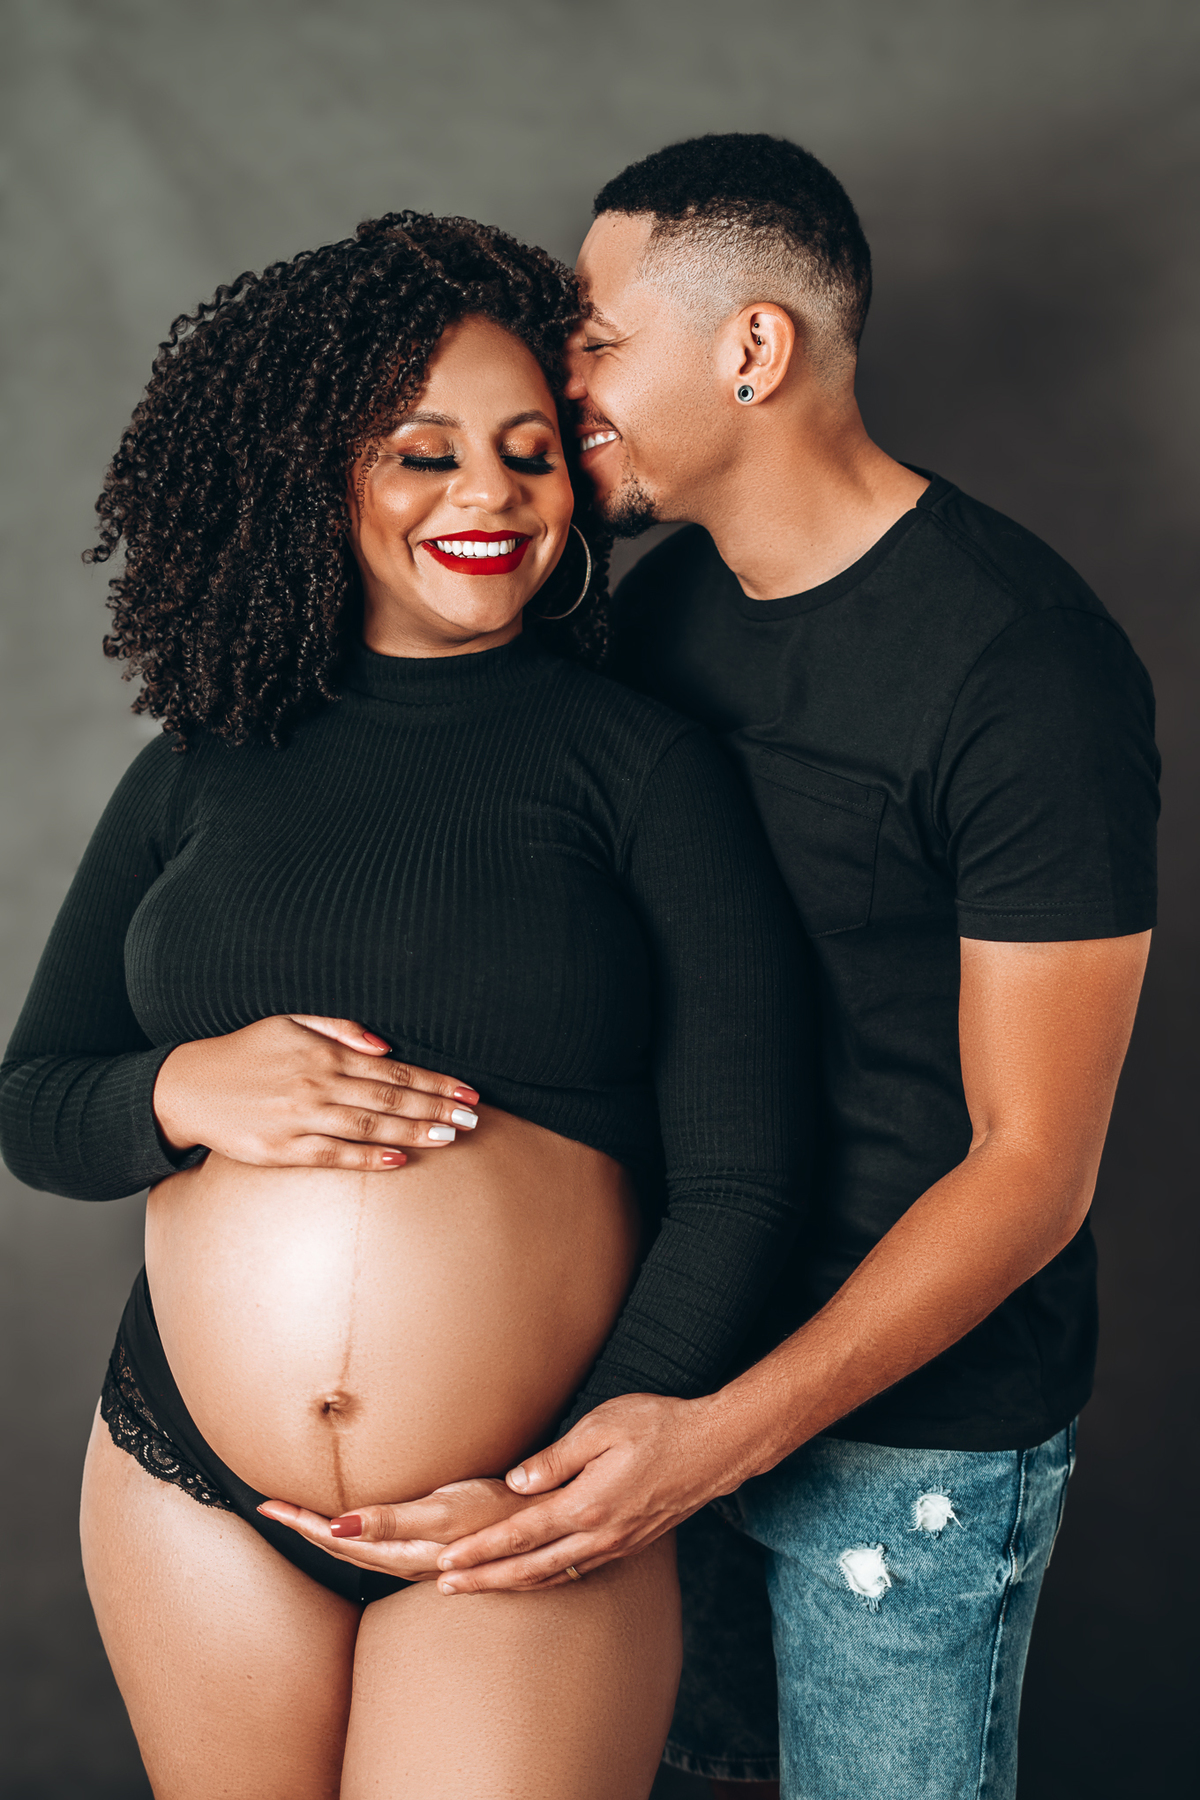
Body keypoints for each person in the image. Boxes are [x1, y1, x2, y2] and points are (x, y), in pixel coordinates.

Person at [368, 139, 1160, 1800]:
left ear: (752, 348)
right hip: (656, 1370)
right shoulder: (653, 615)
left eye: (594, 340)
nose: (565, 385)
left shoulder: (1027, 671)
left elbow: (1034, 1169)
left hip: (902, 1439)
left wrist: (721, 1440)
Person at [0, 211, 817, 1800]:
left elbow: (747, 1178)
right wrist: (177, 1091)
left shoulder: (642, 767)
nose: (488, 495)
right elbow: (34, 1101)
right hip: (193, 1487)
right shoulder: (202, 764)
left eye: (529, 453)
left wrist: (573, 1474)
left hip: (525, 1509)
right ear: (319, 479)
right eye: (423, 455)